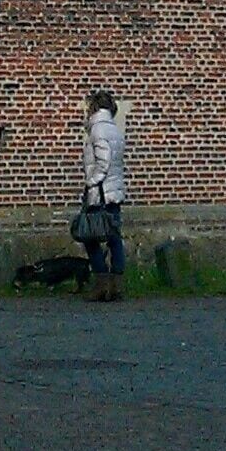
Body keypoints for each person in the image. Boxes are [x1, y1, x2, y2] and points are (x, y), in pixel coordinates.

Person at [81, 89, 127, 299]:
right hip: (114, 191)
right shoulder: (114, 129)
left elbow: (104, 161)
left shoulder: (97, 130)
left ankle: (101, 283)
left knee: (90, 236)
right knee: (113, 237)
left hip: (101, 193)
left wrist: (92, 182)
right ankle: (116, 284)